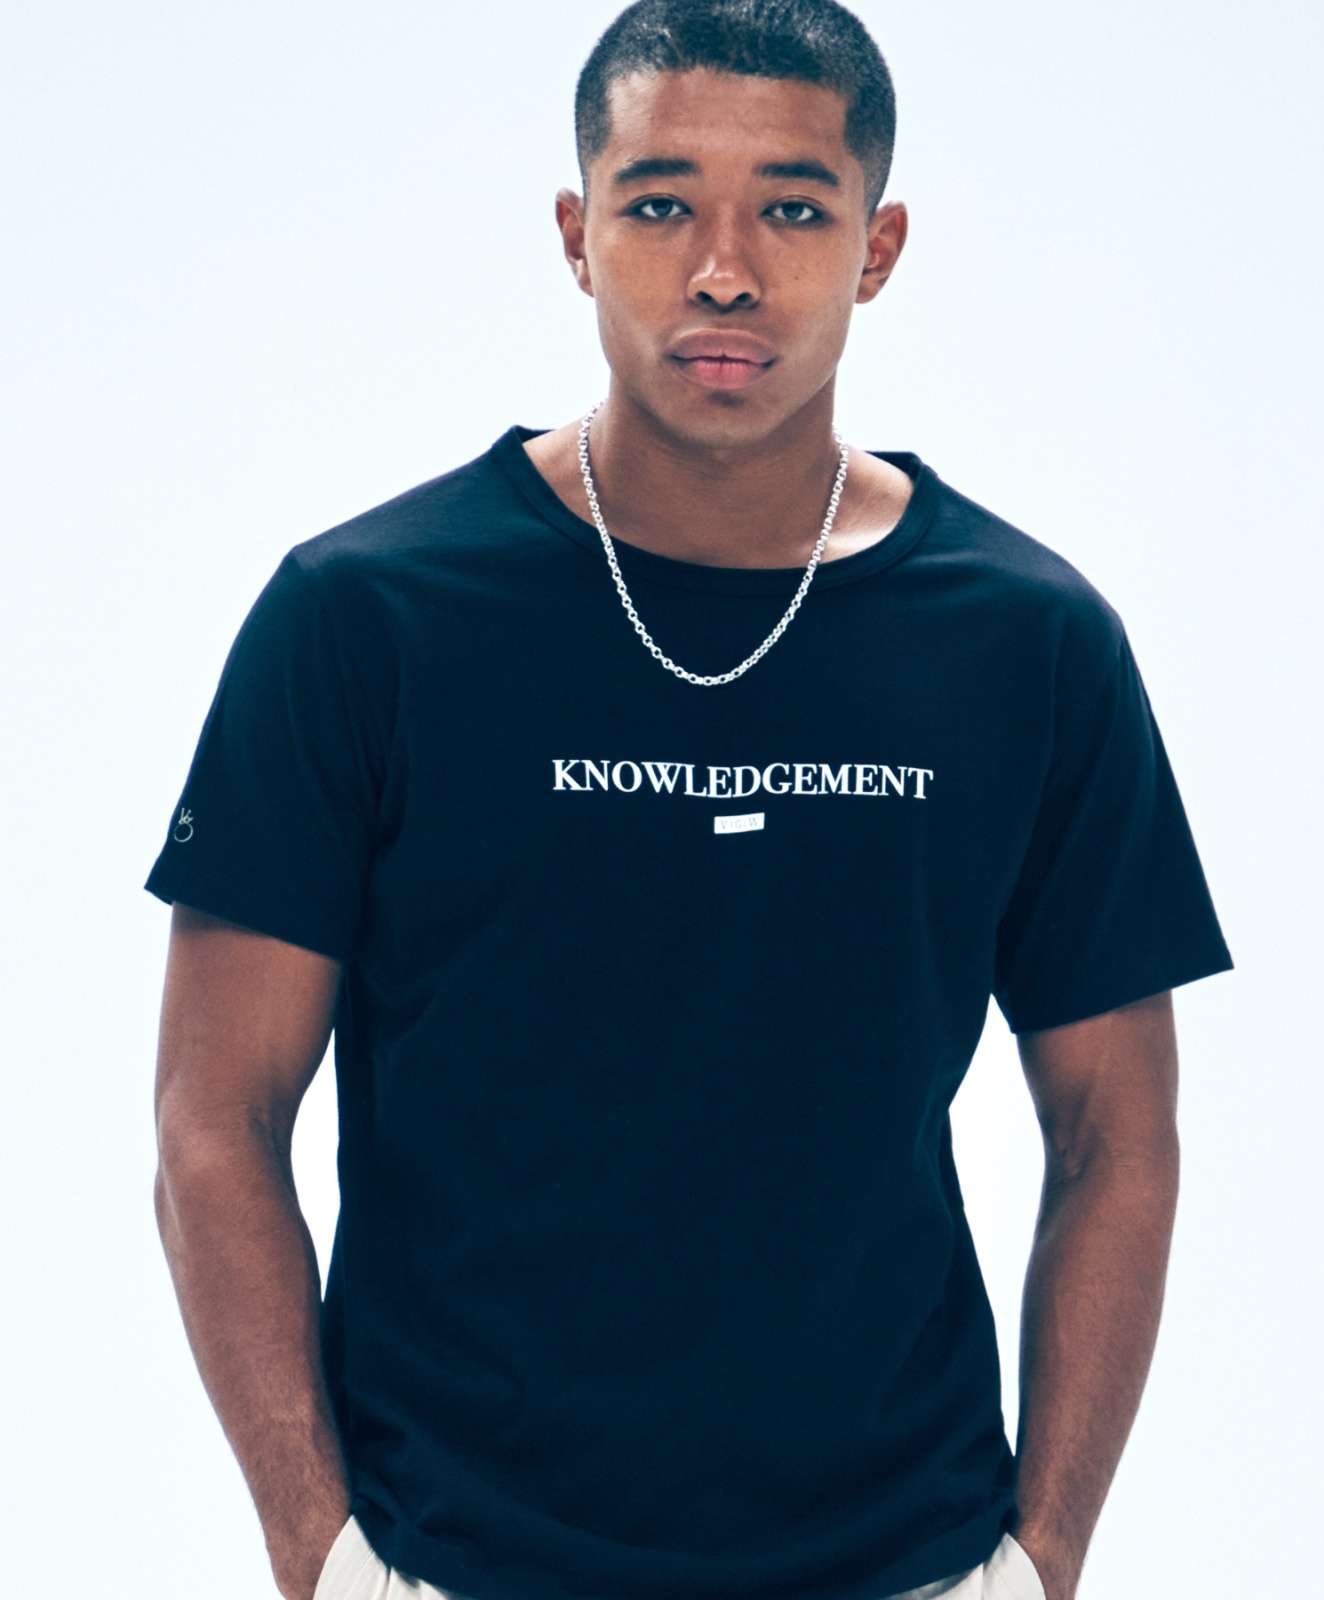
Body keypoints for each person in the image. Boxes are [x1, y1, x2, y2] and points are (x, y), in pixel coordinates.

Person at [146, 3, 1232, 1599]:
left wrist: (1040, 1561)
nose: (723, 269)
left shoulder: (1026, 641)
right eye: (659, 204)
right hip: (460, 1560)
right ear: (576, 235)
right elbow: (213, 1120)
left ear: (876, 248)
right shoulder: (366, 617)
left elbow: (1116, 1130)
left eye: (791, 208)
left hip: (904, 1559)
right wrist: (323, 1558)